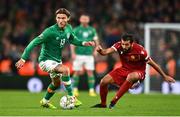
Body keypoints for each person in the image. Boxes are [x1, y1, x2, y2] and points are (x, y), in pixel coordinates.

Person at [15, 8, 95, 109]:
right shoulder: (49, 31)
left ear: (68, 19)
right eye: (58, 18)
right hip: (45, 61)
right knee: (65, 70)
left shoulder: (69, 28)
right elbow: (33, 43)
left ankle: (45, 101)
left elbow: (73, 40)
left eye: (63, 18)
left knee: (56, 84)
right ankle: (72, 97)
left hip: (57, 60)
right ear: (56, 19)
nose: (61, 20)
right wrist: (23, 58)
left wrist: (85, 43)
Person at [91, 33, 175, 109]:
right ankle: (103, 104)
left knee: (131, 76)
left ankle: (114, 101)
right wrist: (100, 51)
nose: (124, 46)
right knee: (103, 81)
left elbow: (154, 64)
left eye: (126, 44)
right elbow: (105, 52)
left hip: (139, 72)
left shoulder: (140, 51)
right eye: (123, 44)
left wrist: (165, 76)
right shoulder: (118, 45)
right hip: (124, 69)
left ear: (132, 43)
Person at [71, 14, 99, 97]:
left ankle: (91, 90)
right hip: (78, 54)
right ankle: (75, 89)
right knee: (77, 72)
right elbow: (72, 42)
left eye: (86, 18)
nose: (84, 20)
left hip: (89, 54)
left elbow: (96, 41)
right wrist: (73, 53)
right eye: (83, 18)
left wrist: (96, 50)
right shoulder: (76, 30)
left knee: (90, 72)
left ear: (88, 20)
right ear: (80, 19)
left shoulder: (92, 30)